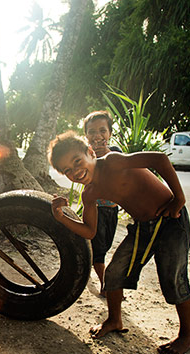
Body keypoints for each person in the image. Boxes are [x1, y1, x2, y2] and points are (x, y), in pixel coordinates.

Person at [48, 131, 190, 354]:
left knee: (173, 278)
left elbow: (160, 159)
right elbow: (89, 231)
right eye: (67, 170)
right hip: (143, 228)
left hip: (171, 219)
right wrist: (61, 218)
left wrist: (179, 198)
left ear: (90, 153)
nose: (75, 171)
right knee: (114, 273)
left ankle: (186, 335)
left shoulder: (114, 162)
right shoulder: (90, 194)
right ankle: (114, 320)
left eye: (77, 161)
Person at [83, 110, 122, 295]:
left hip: (112, 210)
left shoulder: (116, 153)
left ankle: (89, 263)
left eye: (102, 130)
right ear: (86, 135)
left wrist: (104, 153)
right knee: (99, 251)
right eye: (91, 132)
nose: (97, 136)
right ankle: (106, 285)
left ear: (110, 133)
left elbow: (120, 174)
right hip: (95, 209)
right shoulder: (84, 156)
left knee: (104, 247)